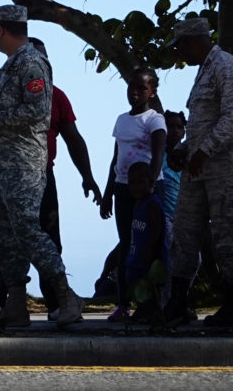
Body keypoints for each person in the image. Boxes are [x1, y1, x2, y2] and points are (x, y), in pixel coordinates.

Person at [0, 4, 84, 328]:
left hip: (23, 165)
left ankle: (65, 297)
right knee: (5, 238)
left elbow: (38, 112)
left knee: (29, 231)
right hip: (0, 165)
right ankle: (15, 304)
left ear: (1, 29)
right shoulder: (8, 67)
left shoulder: (32, 62)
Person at [163, 17, 233, 327]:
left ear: (191, 42)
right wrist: (186, 148)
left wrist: (204, 150)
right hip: (198, 170)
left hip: (227, 171)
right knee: (184, 234)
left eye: (180, 48)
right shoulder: (204, 69)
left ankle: (231, 307)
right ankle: (177, 302)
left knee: (227, 237)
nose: (180, 55)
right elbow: (205, 122)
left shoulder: (226, 67)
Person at [99, 67, 166, 322]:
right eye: (132, 87)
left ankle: (150, 302)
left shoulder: (154, 120)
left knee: (150, 246)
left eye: (142, 88)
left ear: (152, 91)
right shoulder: (121, 120)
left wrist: (148, 187)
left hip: (147, 191)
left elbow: (159, 154)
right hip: (123, 188)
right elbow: (116, 157)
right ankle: (122, 303)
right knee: (126, 244)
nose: (135, 92)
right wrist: (108, 193)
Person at [123, 161, 167, 324]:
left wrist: (149, 249)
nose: (136, 187)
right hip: (136, 254)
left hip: (149, 256)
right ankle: (142, 310)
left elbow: (156, 228)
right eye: (132, 182)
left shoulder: (153, 204)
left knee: (150, 285)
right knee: (134, 282)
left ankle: (152, 312)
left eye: (141, 182)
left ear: (151, 182)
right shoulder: (138, 204)